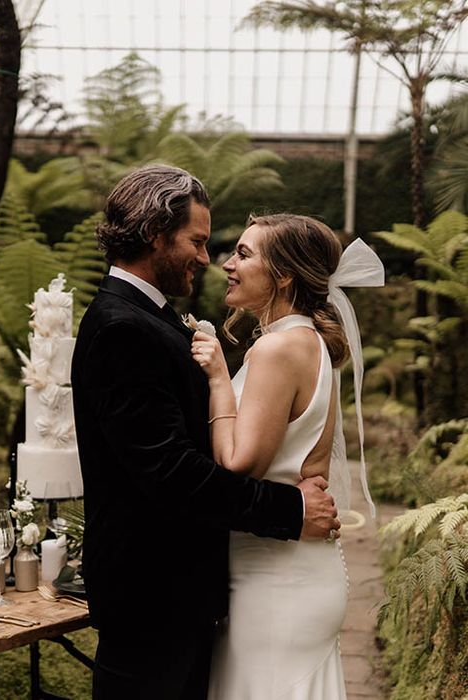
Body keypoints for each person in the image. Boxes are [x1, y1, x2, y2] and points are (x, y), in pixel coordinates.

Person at [71, 165, 341, 700]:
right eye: (197, 241)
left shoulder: (156, 321)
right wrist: (290, 510)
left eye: (233, 251)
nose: (207, 257)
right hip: (152, 597)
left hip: (190, 595)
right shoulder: (123, 328)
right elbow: (171, 473)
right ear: (156, 235)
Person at [191, 213, 383, 699]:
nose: (227, 263)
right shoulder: (310, 342)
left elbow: (238, 464)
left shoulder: (277, 349)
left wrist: (217, 377)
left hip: (274, 578)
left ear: (284, 274)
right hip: (291, 566)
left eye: (244, 253)